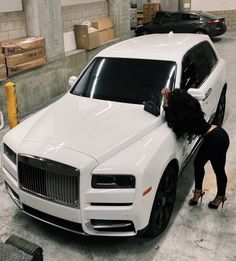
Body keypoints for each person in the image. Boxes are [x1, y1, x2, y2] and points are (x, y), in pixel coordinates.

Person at [161, 87, 230, 209]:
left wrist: (166, 104)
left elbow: (173, 124)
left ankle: (220, 196)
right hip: (216, 134)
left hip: (215, 139)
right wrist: (168, 98)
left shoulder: (185, 118)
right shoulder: (192, 108)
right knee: (200, 164)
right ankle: (199, 192)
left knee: (217, 169)